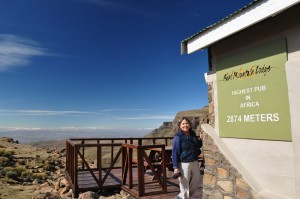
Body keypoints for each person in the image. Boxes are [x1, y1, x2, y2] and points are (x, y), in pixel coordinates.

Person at [172, 117, 202, 199]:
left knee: (196, 181)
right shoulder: (178, 137)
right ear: (180, 126)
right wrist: (175, 167)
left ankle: (181, 197)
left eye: (187, 123)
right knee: (184, 185)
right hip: (184, 163)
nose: (185, 125)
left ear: (189, 124)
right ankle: (184, 197)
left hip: (195, 161)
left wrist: (200, 138)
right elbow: (175, 152)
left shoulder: (192, 134)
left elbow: (198, 145)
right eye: (183, 124)